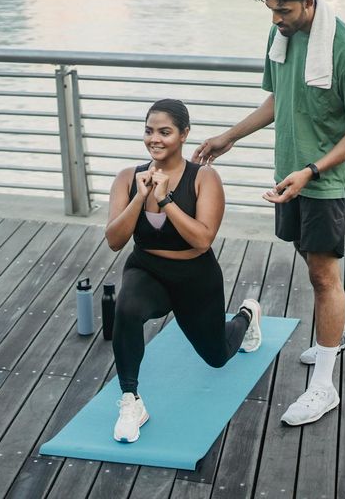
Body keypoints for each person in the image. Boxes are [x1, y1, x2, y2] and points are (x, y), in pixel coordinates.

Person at [193, 0, 345, 426]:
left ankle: (324, 387)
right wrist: (227, 136)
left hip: (323, 180)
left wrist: (312, 171)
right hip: (289, 173)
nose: (276, 20)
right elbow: (278, 99)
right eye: (272, 11)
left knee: (322, 276)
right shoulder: (283, 36)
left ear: (310, 2)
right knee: (307, 254)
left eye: (285, 11)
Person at [105, 98, 262, 443]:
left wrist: (165, 200)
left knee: (218, 357)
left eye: (165, 132)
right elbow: (115, 240)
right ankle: (131, 400)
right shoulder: (127, 178)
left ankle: (248, 317)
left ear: (184, 134)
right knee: (126, 308)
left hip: (196, 277)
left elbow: (203, 239)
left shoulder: (204, 178)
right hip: (147, 270)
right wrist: (139, 197)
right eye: (149, 131)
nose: (154, 139)